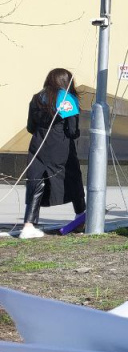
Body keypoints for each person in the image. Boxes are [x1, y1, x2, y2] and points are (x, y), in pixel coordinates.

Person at [21, 68, 86, 238]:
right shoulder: (67, 98)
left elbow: (30, 127)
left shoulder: (37, 98)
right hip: (61, 147)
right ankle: (81, 216)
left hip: (38, 144)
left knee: (36, 182)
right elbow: (72, 130)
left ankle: (28, 225)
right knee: (73, 178)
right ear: (66, 82)